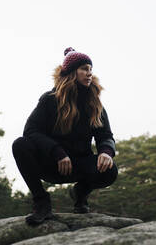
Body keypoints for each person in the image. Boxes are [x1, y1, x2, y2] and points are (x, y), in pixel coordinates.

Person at [12, 47, 118, 225]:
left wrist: (106, 151)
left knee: (110, 170)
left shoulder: (94, 104)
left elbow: (105, 134)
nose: (89, 73)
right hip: (52, 163)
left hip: (80, 165)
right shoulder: (49, 99)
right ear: (71, 72)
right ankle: (41, 202)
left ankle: (80, 193)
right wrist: (57, 152)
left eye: (90, 69)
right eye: (84, 68)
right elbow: (31, 131)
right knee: (20, 144)